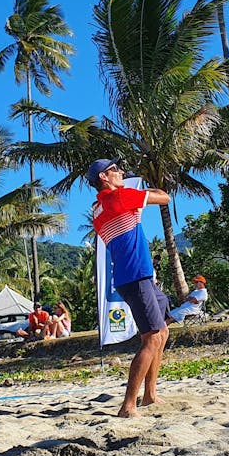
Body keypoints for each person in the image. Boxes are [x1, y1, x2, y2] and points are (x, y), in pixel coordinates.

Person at [88, 158, 173, 417]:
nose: (121, 171)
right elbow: (165, 197)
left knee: (163, 332)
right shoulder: (118, 198)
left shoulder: (101, 207)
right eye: (115, 169)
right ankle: (128, 405)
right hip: (135, 276)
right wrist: (144, 186)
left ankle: (150, 395)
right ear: (104, 177)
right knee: (152, 338)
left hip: (140, 276)